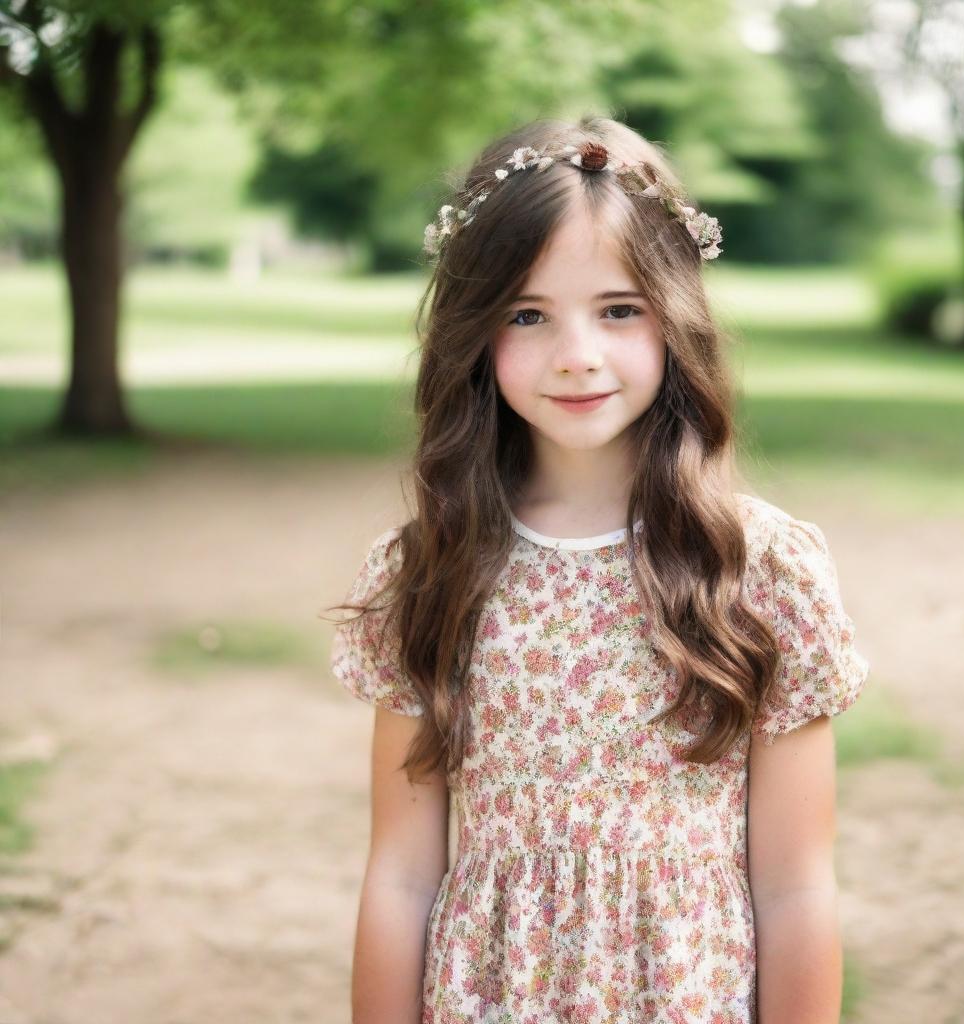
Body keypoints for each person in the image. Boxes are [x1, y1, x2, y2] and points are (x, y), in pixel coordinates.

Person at [326, 114, 871, 1024]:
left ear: (675, 315)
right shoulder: (432, 566)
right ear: (475, 331)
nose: (576, 353)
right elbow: (400, 874)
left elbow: (796, 887)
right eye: (527, 315)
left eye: (619, 309)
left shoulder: (758, 569)